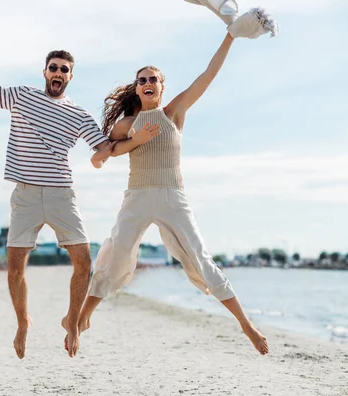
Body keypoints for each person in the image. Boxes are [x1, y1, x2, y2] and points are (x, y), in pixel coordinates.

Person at [0, 46, 160, 359]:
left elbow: (107, 147)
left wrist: (137, 137)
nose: (58, 73)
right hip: (26, 195)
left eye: (64, 69)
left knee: (83, 262)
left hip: (62, 193)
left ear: (70, 77)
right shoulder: (22, 96)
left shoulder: (78, 114)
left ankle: (73, 322)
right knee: (14, 268)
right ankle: (23, 322)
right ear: (45, 72)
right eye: (53, 68)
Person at [75, 32, 270, 355]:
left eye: (153, 79)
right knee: (117, 255)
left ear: (162, 87)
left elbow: (208, 74)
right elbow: (99, 158)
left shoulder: (174, 113)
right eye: (142, 80)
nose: (148, 83)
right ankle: (82, 318)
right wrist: (134, 142)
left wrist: (230, 36)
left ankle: (247, 326)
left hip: (173, 197)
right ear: (137, 89)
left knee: (202, 260)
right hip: (137, 197)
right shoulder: (127, 124)